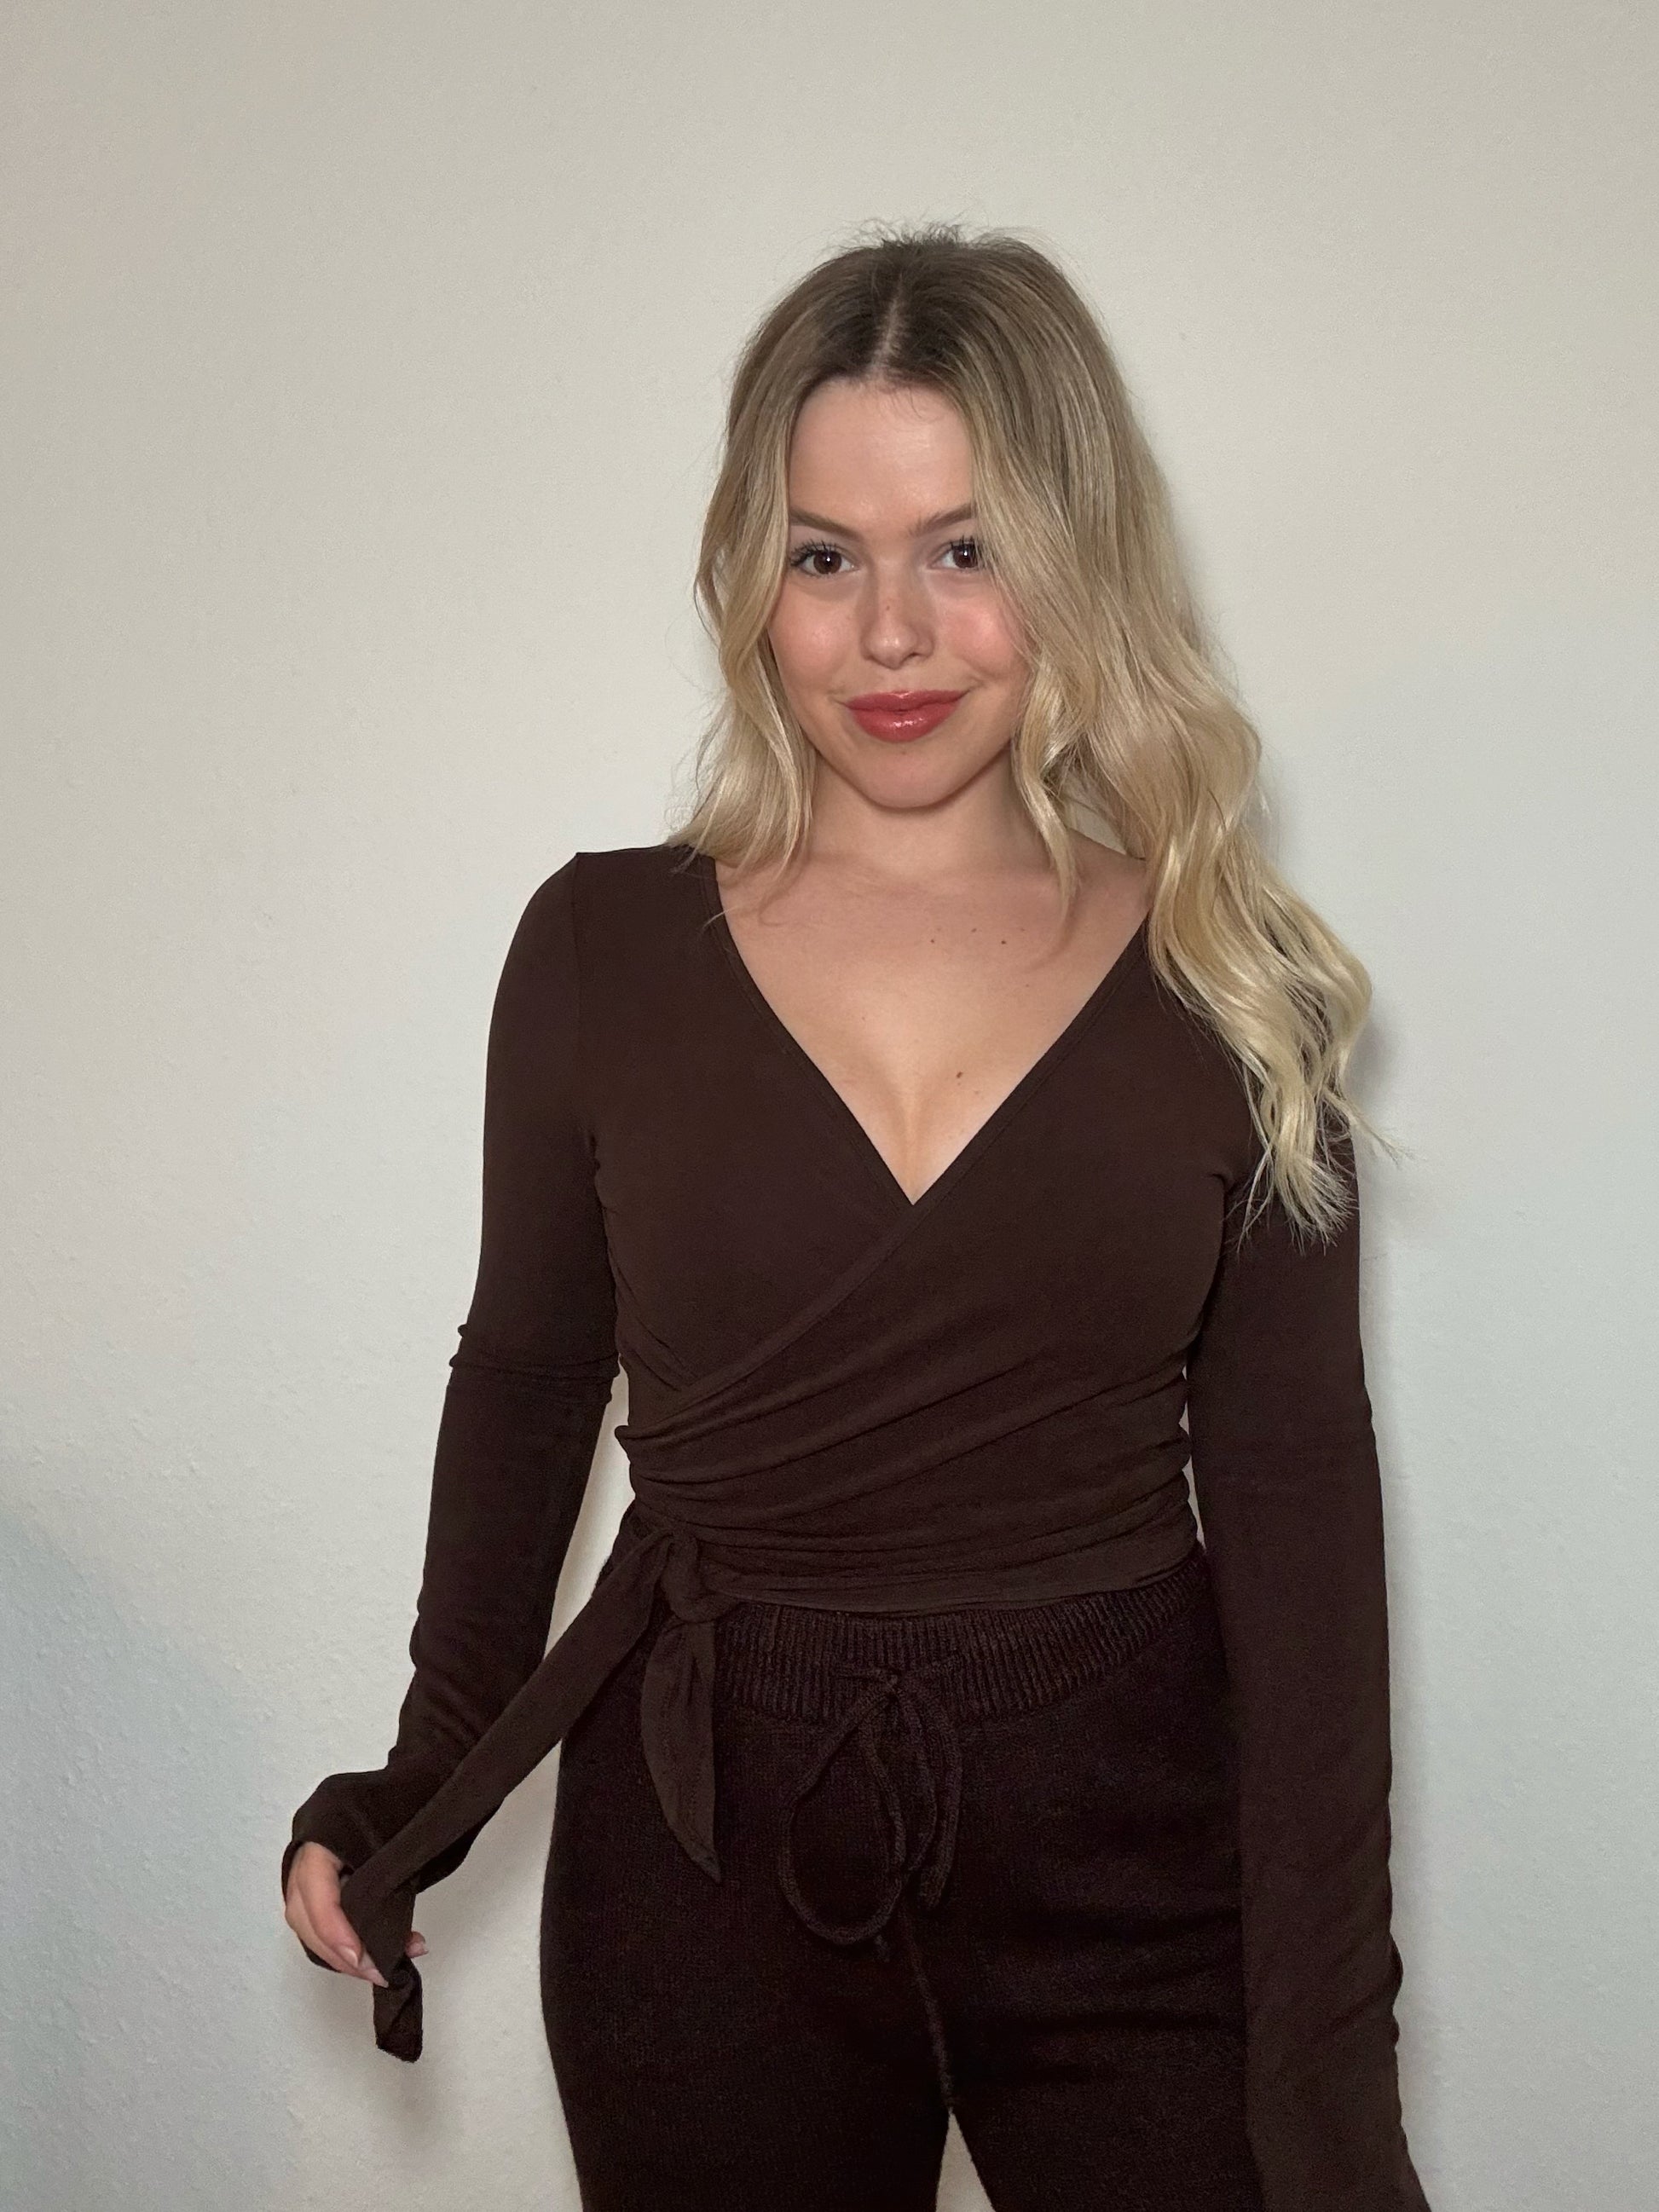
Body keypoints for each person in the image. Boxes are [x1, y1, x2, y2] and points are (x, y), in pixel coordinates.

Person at [281, 222, 1431, 2211]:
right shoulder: (598, 950)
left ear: (1077, 558)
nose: (891, 631)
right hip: (699, 1862)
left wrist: (1327, 2049)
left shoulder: (1233, 978)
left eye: (963, 548)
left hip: (1139, 1863)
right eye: (826, 556)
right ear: (755, 577)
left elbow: (1301, 1518)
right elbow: (527, 1381)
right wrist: (424, 1778)